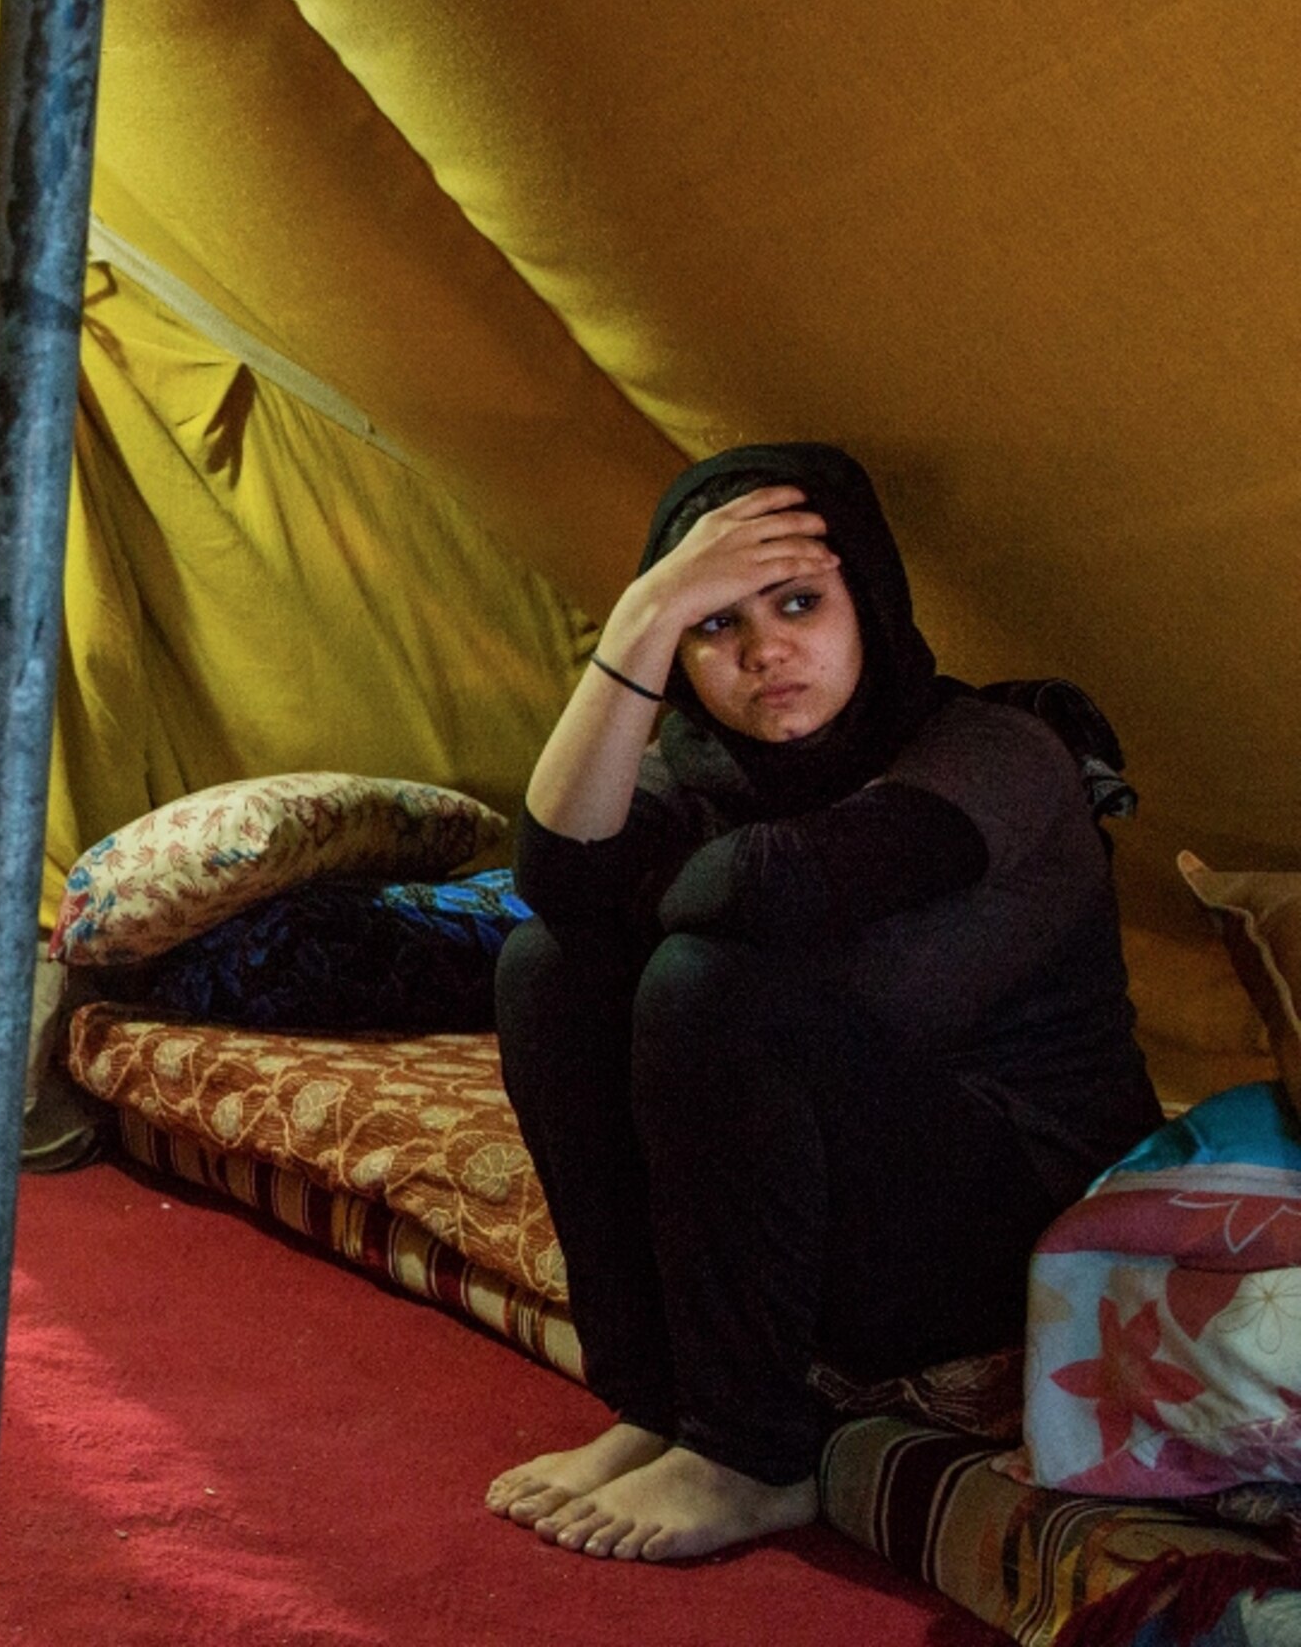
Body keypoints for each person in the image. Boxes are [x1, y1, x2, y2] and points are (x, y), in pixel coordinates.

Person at [481, 442, 1163, 1562]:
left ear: (872, 604)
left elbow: (767, 887)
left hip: (1016, 1230)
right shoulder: (711, 767)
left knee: (710, 987)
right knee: (546, 966)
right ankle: (659, 1404)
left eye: (800, 602)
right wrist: (640, 621)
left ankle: (752, 1455)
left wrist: (645, 892)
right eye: (716, 626)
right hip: (823, 1219)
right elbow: (555, 883)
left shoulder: (999, 755)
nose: (765, 653)